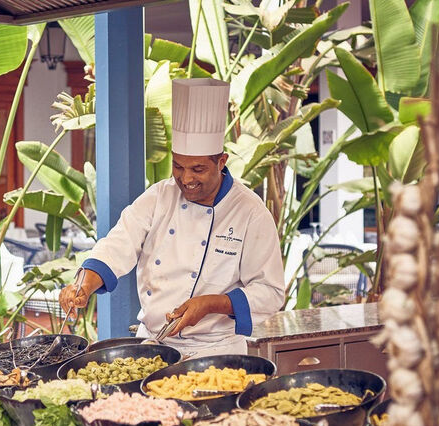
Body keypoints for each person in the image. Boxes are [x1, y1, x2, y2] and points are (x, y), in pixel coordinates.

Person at [59, 79, 285, 357]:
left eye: (198, 169)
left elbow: (270, 292)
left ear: (222, 161)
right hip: (153, 345)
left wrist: (213, 303)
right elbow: (119, 244)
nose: (186, 178)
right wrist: (85, 283)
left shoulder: (250, 212)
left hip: (215, 353)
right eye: (178, 166)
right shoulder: (158, 198)